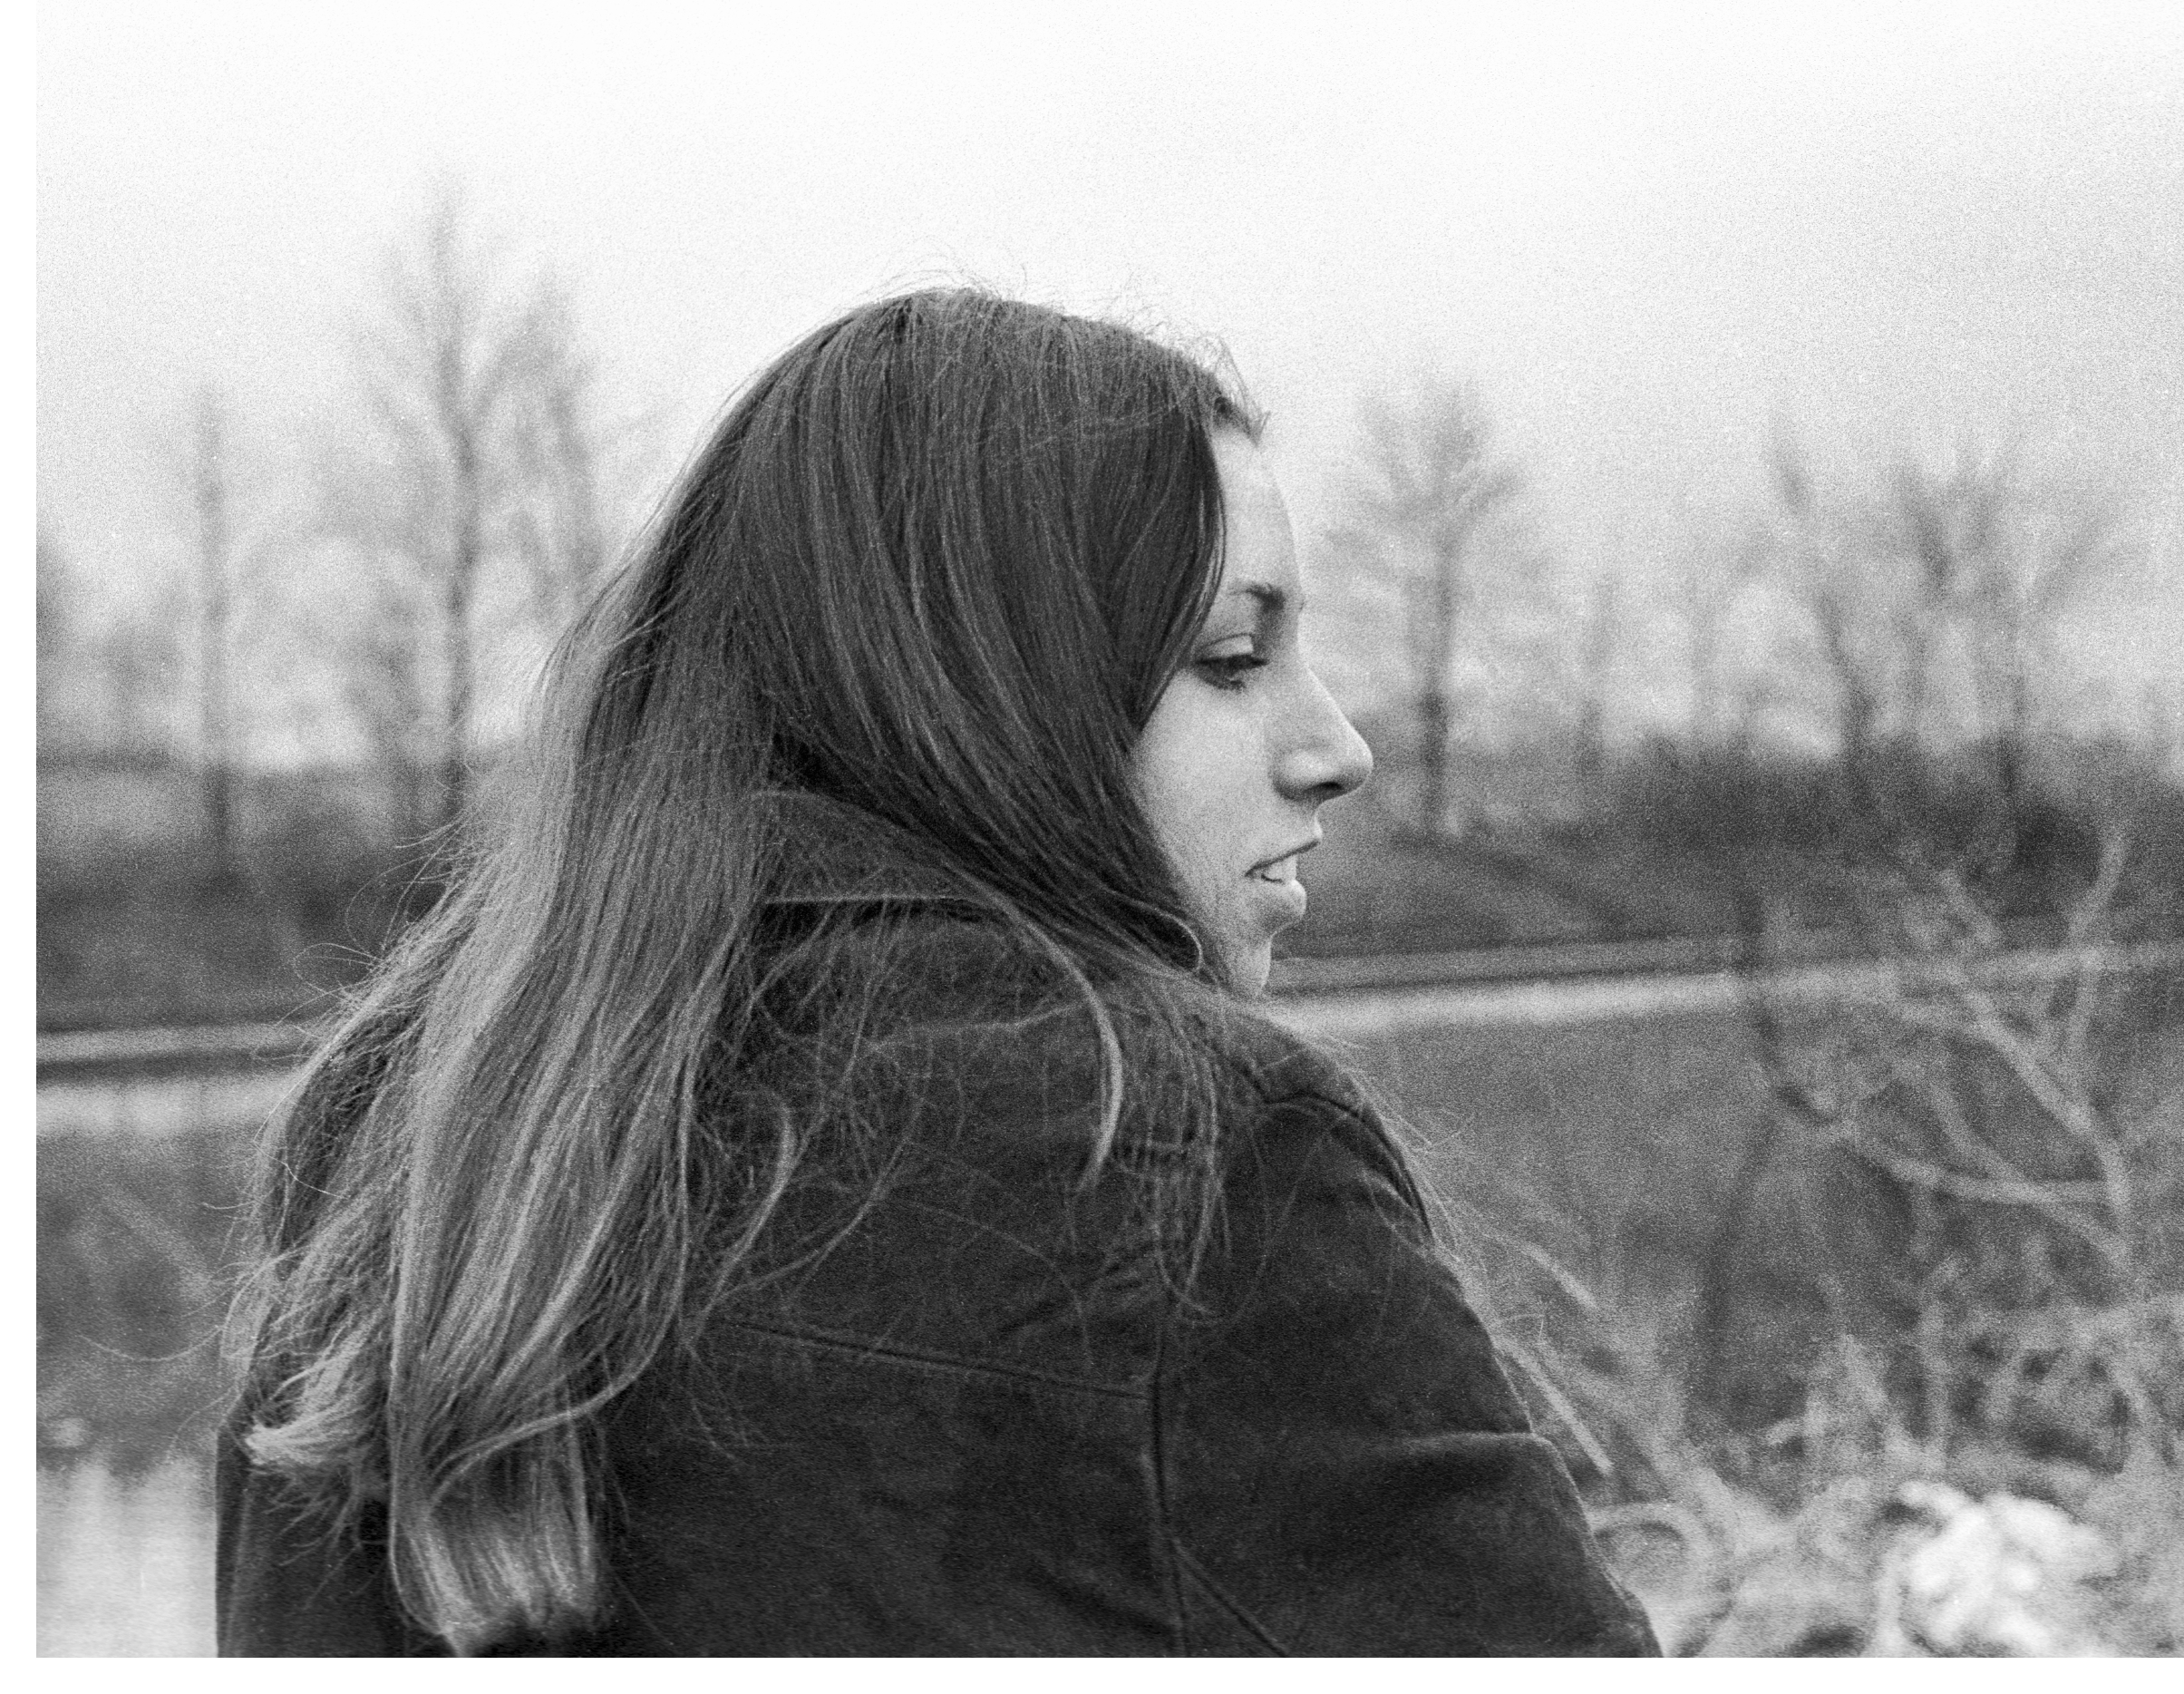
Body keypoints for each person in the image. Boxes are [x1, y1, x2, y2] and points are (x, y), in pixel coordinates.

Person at [216, 290, 1659, 1657]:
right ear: (984, 693)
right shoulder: (1185, 1152)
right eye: (1232, 657)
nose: (1336, 744)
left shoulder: (403, 1129)